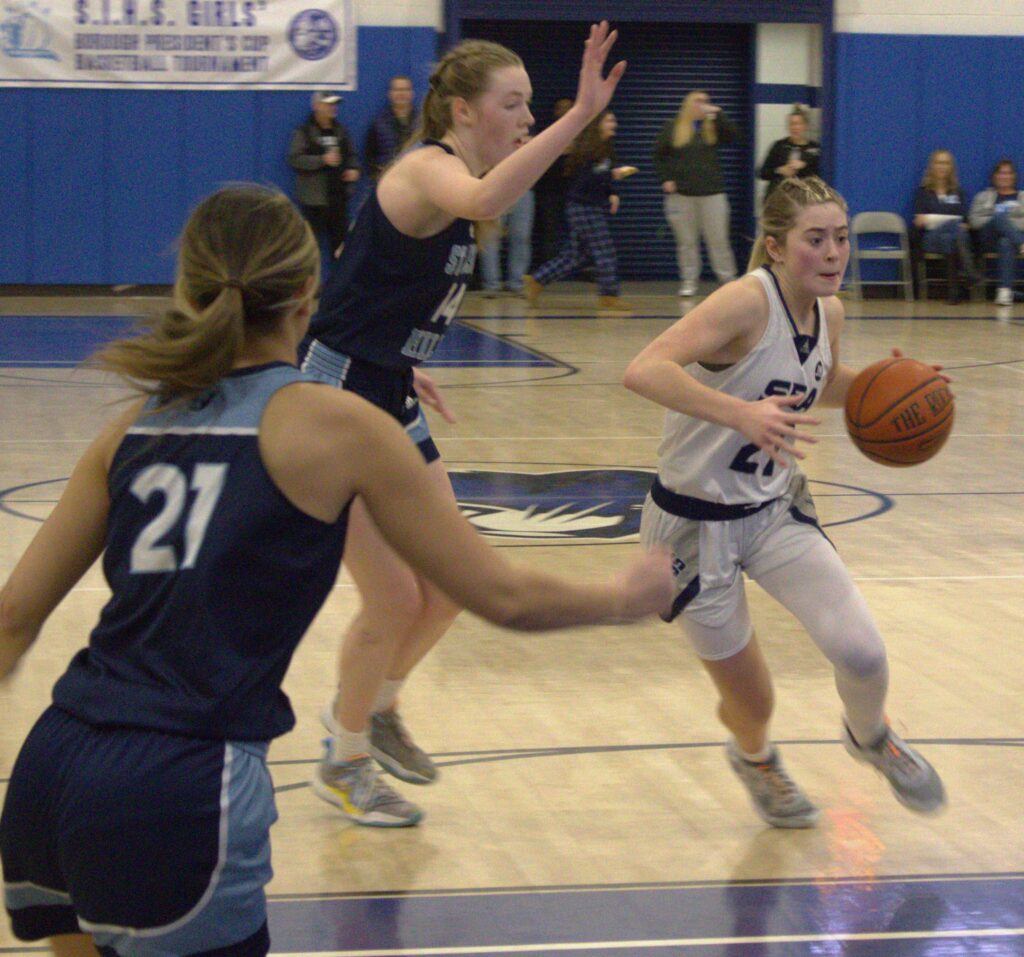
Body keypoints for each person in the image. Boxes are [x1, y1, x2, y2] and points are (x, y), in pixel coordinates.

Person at [0, 183, 672, 957]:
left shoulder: (134, 423)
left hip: (53, 766)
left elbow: (16, 612)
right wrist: (623, 595)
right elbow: (501, 594)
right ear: (308, 291)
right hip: (183, 780)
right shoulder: (340, 425)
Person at [300, 23, 627, 826]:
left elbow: (371, 282)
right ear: (460, 110)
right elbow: (486, 199)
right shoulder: (429, 170)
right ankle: (342, 761)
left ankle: (372, 708)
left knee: (450, 586)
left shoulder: (450, 182)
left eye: (528, 106)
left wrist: (403, 354)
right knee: (389, 599)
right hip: (334, 403)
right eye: (510, 104)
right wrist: (576, 116)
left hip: (386, 388)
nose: (522, 118)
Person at [623, 176, 947, 829]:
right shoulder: (744, 302)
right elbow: (645, 368)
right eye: (815, 239)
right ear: (775, 246)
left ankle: (870, 736)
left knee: (862, 653)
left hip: (772, 509)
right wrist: (738, 412)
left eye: (842, 238)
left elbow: (815, 383)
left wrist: (890, 386)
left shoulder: (829, 312)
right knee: (753, 698)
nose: (834, 253)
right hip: (691, 524)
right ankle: (756, 758)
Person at [523, 111, 636, 311]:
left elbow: (604, 179)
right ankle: (609, 296)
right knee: (605, 250)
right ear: (598, 124)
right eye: (609, 120)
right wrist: (613, 175)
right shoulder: (587, 150)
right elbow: (586, 180)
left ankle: (536, 280)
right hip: (582, 207)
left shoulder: (606, 149)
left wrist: (612, 192)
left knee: (576, 256)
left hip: (591, 206)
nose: (614, 124)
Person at [654, 90, 739, 298]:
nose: (702, 104)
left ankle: (728, 280)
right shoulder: (672, 127)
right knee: (687, 242)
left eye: (705, 101)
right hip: (681, 196)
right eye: (698, 101)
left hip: (712, 194)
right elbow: (658, 155)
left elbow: (734, 137)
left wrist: (717, 114)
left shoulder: (712, 127)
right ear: (688, 104)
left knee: (718, 240)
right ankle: (689, 280)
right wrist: (665, 178)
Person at [287, 91, 361, 267]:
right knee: (310, 249)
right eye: (328, 104)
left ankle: (340, 288)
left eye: (334, 104)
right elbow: (295, 159)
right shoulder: (304, 132)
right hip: (314, 202)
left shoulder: (341, 131)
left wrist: (354, 170)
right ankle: (310, 287)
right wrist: (322, 160)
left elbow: (352, 156)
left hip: (338, 200)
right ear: (316, 106)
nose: (332, 108)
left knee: (341, 249)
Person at [912, 149, 981, 304]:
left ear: (951, 167)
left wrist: (934, 219)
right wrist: (950, 222)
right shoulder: (923, 192)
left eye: (945, 163)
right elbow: (920, 221)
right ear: (932, 166)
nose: (942, 166)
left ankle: (953, 293)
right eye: (938, 162)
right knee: (953, 226)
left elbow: (965, 221)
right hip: (929, 239)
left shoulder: (958, 193)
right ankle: (969, 272)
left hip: (953, 238)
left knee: (949, 238)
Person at [479, 137, 535, 297]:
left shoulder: (526, 128)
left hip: (523, 186)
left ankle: (516, 282)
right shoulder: (492, 129)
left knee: (521, 236)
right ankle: (491, 284)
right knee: (490, 236)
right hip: (495, 185)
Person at [969, 158, 1024, 305]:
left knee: (1005, 242)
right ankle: (1022, 244)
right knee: (999, 218)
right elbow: (973, 220)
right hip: (987, 238)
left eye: (1008, 173)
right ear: (995, 176)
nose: (1004, 176)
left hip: (1010, 241)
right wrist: (998, 220)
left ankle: (1005, 292)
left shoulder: (1022, 197)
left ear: (1014, 176)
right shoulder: (983, 197)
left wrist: (1007, 225)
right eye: (1001, 173)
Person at [532, 96, 575, 263]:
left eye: (569, 108)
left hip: (574, 192)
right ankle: (548, 268)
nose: (565, 112)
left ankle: (581, 267)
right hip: (549, 191)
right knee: (549, 231)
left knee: (579, 232)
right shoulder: (548, 133)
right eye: (561, 108)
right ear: (556, 112)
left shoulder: (583, 134)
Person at [758, 105, 820, 200]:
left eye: (798, 124)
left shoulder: (814, 148)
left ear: (805, 126)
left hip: (804, 200)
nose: (795, 127)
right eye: (792, 124)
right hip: (779, 198)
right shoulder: (779, 146)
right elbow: (763, 173)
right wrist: (779, 170)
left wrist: (805, 165)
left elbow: (820, 172)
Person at [365, 75, 418, 179]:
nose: (401, 93)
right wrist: (376, 174)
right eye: (397, 90)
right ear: (390, 94)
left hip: (416, 181)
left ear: (412, 93)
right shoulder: (379, 123)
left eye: (405, 89)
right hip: (388, 181)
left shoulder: (423, 122)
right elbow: (369, 154)